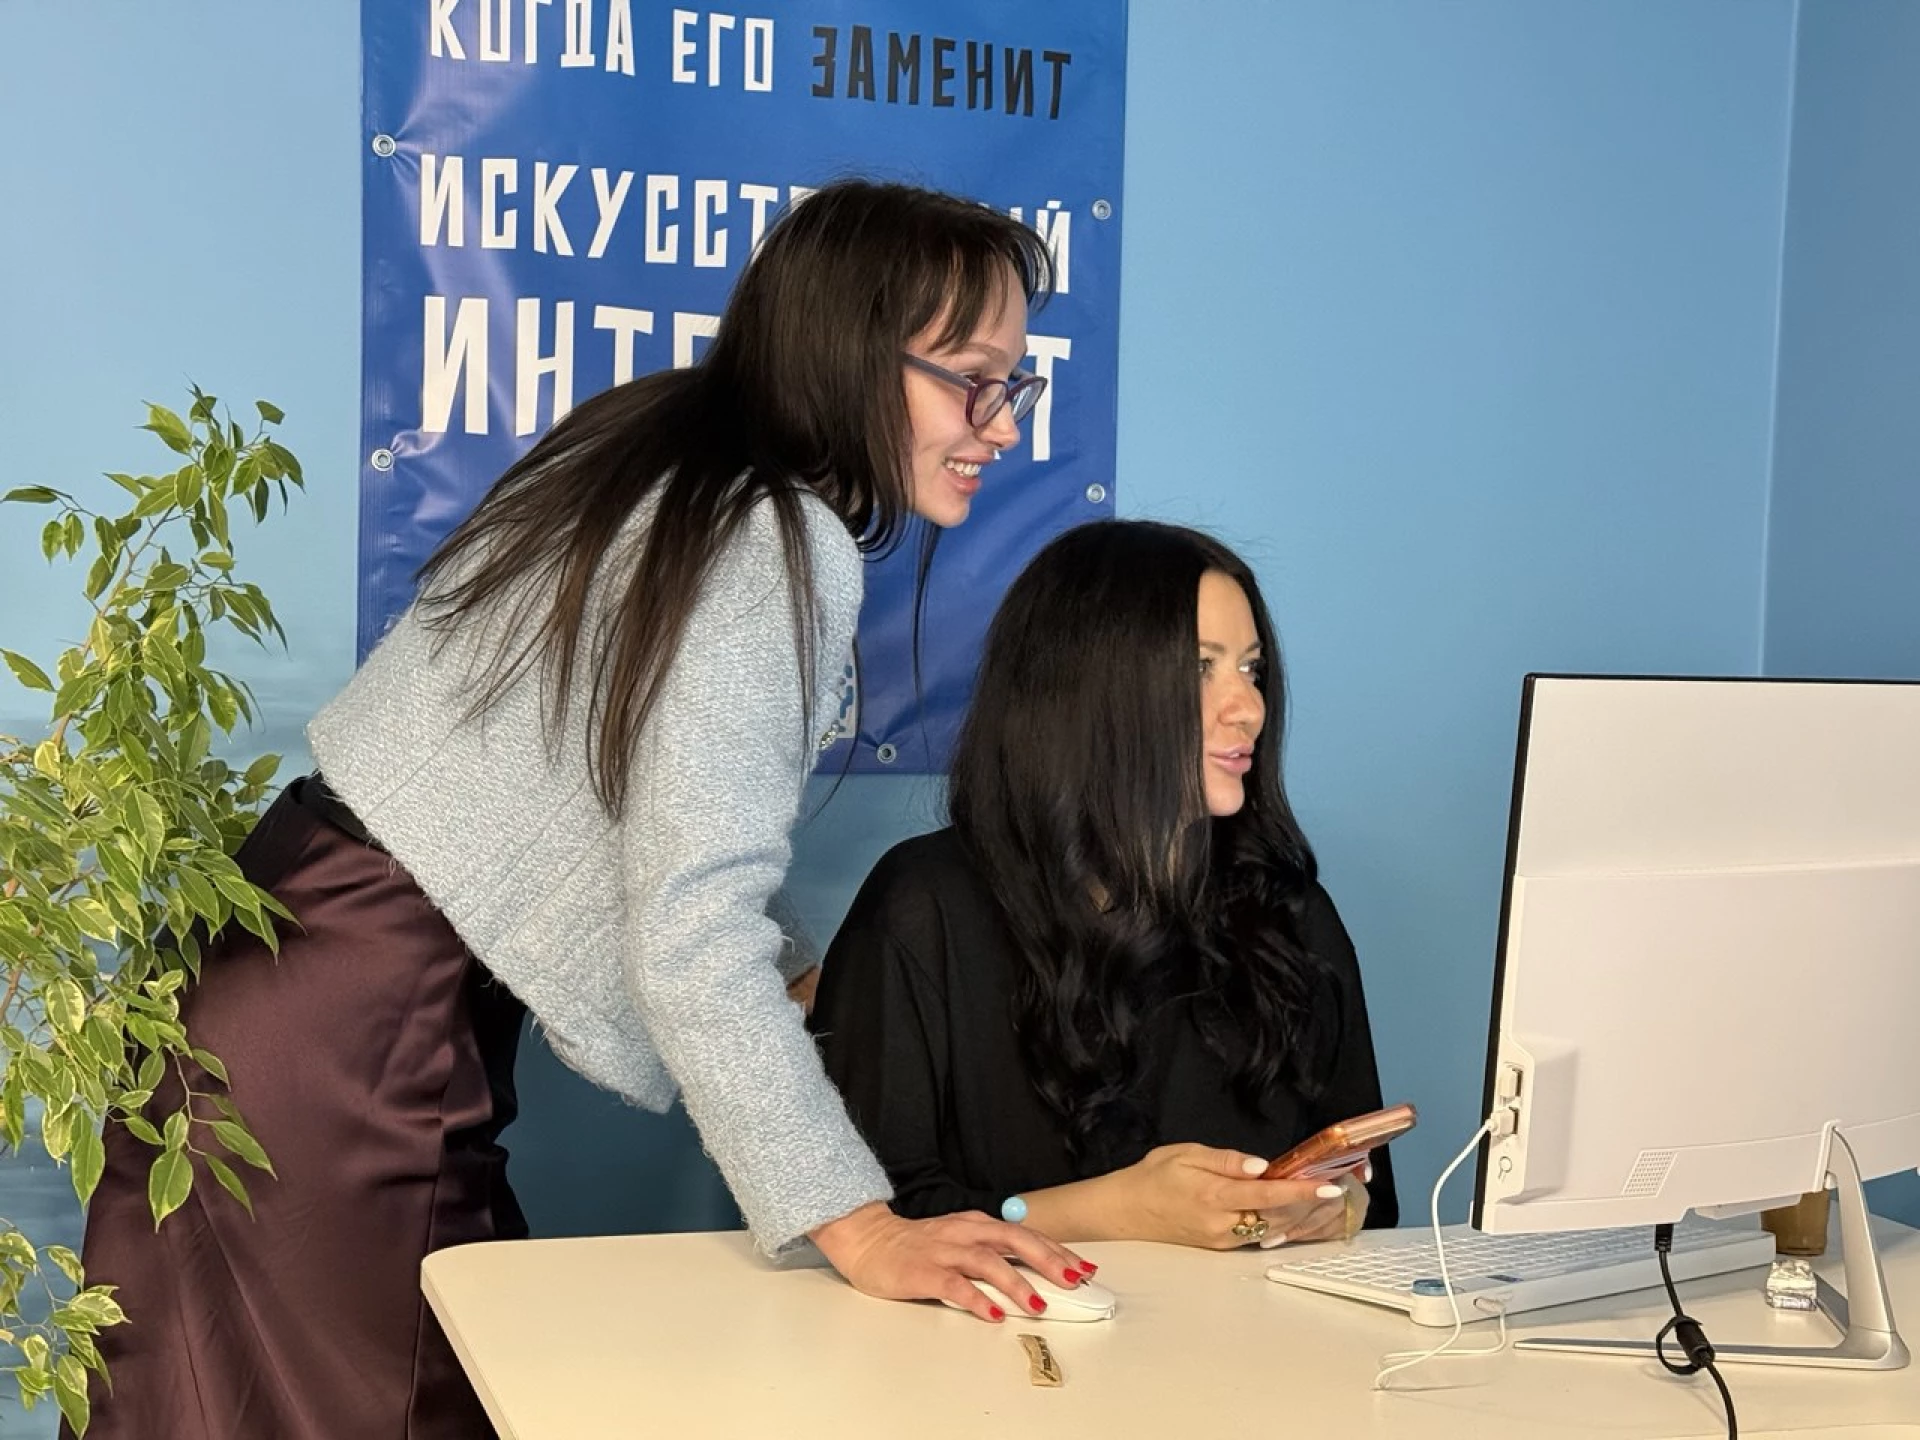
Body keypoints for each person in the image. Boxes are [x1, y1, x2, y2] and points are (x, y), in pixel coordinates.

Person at [73, 179, 1092, 1440]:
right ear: (852, 352)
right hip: (362, 1025)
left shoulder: (654, 449)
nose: (1002, 424)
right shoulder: (772, 536)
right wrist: (862, 1227)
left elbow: (617, 804)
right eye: (973, 381)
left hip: (276, 962)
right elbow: (687, 924)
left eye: (1013, 383)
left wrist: (790, 970)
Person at [810, 520, 1400, 1251]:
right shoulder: (922, 907)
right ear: (1086, 691)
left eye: (1252, 670)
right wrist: (1115, 1212)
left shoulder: (1291, 913)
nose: (1249, 707)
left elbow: (1374, 1199)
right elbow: (866, 1225)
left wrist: (1335, 1207)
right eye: (1200, 668)